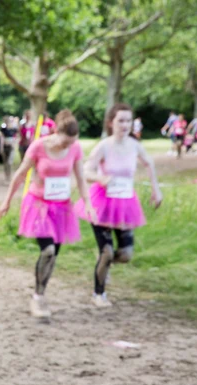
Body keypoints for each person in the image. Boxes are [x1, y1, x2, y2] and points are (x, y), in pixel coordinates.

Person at [0, 109, 95, 318]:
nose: (68, 146)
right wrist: (6, 201)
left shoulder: (75, 149)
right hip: (38, 205)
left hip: (61, 208)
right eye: (65, 141)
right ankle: (38, 298)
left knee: (53, 256)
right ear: (56, 132)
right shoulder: (38, 147)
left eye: (72, 142)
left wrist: (88, 203)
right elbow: (20, 174)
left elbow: (80, 178)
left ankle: (40, 293)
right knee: (48, 250)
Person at [75, 103, 162, 308]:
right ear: (111, 123)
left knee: (125, 254)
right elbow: (85, 173)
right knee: (106, 251)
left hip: (125, 204)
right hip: (101, 203)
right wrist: (100, 178)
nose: (125, 125)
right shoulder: (104, 146)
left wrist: (155, 189)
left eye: (128, 121)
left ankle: (105, 264)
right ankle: (99, 294)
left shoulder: (134, 145)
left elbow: (149, 163)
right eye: (120, 120)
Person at [1, 116, 18, 181]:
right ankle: (6, 175)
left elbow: (16, 137)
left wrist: (14, 144)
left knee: (9, 162)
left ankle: (10, 175)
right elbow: (2, 137)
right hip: (5, 146)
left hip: (11, 146)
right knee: (5, 162)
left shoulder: (13, 129)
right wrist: (1, 147)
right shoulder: (4, 129)